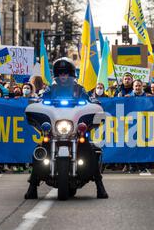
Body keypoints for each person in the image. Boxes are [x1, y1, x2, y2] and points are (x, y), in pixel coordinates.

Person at [25, 57, 108, 199]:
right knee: (40, 150)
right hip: (55, 131)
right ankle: (32, 186)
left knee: (89, 151)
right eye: (60, 73)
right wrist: (36, 101)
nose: (63, 76)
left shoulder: (79, 89)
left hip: (75, 131)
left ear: (71, 74)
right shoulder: (50, 89)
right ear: (56, 75)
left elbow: (89, 100)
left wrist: (93, 102)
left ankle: (100, 186)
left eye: (66, 73)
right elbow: (40, 99)